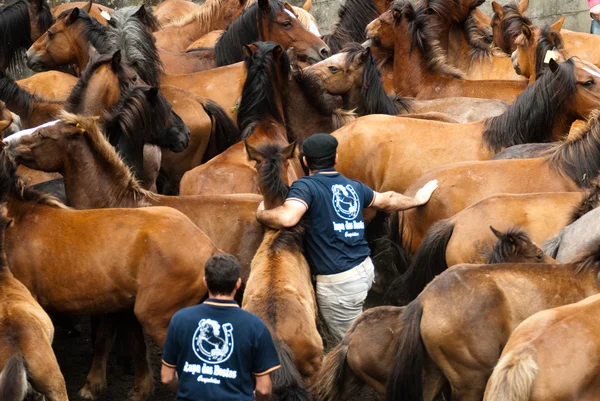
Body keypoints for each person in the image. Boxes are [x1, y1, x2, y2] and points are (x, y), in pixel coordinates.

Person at [255, 134, 438, 341]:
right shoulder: (353, 186)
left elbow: (287, 218)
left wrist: (261, 213)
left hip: (338, 283)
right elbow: (387, 199)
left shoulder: (306, 187)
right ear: (336, 159)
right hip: (364, 269)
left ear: (305, 161)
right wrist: (416, 200)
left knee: (350, 343)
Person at [161, 254, 280, 401]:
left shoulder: (180, 319)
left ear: (205, 282)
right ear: (238, 283)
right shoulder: (256, 326)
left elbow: (167, 377)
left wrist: (187, 389)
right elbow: (263, 388)